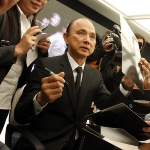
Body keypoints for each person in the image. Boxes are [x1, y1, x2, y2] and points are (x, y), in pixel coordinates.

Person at [14, 18, 150, 150]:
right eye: (81, 33)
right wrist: (41, 99)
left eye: (92, 37)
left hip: (78, 143)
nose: (87, 40)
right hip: (44, 143)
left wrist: (126, 84)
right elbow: (20, 116)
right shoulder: (45, 65)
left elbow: (106, 108)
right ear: (66, 37)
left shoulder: (95, 75)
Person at [0, 0, 50, 134]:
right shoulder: (3, 12)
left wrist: (42, 52)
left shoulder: (31, 24)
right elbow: (17, 51)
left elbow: (23, 67)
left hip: (6, 100)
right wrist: (16, 49)